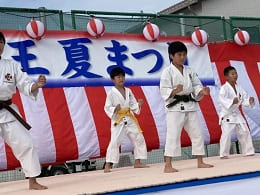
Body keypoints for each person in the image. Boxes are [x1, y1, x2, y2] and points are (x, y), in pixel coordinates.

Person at [0, 32, 47, 190]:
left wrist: (36, 85)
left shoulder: (11, 65)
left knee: (27, 144)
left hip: (7, 111)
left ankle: (32, 181)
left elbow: (25, 84)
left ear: (3, 45)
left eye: (0, 42)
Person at [160, 41, 213, 173]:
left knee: (197, 133)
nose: (182, 57)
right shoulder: (167, 72)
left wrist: (202, 91)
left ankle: (200, 161)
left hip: (190, 105)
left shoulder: (190, 70)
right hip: (175, 108)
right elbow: (164, 90)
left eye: (184, 54)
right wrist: (174, 90)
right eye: (179, 55)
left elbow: (196, 85)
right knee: (173, 135)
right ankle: (168, 165)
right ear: (171, 56)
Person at [104, 67, 149, 173]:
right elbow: (107, 107)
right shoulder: (111, 93)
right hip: (118, 119)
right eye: (118, 77)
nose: (121, 78)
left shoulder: (128, 91)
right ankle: (108, 164)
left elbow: (133, 104)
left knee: (139, 137)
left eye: (122, 76)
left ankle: (138, 162)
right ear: (113, 79)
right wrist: (115, 109)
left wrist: (138, 104)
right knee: (115, 141)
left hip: (129, 117)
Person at [218, 66, 255, 159]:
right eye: (232, 74)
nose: (235, 75)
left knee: (245, 131)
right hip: (227, 114)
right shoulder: (224, 88)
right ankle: (223, 154)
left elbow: (244, 99)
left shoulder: (239, 88)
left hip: (237, 114)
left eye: (236, 73)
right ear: (226, 76)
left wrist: (249, 101)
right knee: (226, 135)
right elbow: (222, 99)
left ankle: (248, 151)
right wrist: (231, 102)